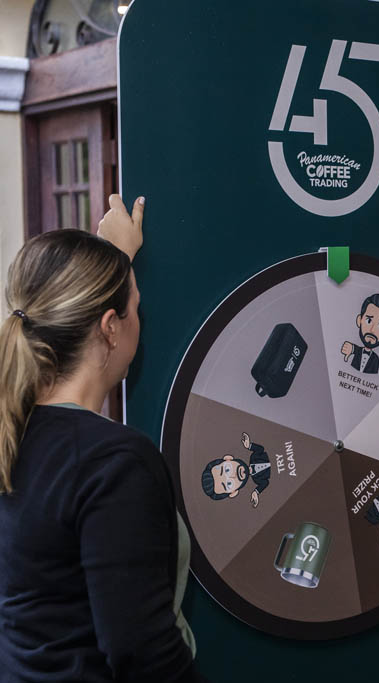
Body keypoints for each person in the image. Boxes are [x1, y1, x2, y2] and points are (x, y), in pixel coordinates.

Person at [0, 196, 205, 682]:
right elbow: (143, 652)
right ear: (111, 328)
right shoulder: (114, 463)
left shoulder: (14, 435)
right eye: (136, 308)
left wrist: (115, 258)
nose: (140, 319)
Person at [200, 431, 272, 508]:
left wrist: (249, 446)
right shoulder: (257, 480)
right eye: (229, 484)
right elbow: (265, 483)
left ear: (228, 458)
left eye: (227, 470)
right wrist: (256, 492)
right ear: (233, 493)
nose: (233, 475)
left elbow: (260, 449)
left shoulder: (254, 457)